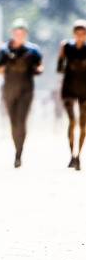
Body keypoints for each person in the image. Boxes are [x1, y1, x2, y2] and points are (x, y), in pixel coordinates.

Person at [0, 19, 43, 168]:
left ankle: (18, 154)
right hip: (9, 90)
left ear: (26, 34)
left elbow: (40, 66)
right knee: (13, 123)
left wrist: (35, 69)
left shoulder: (33, 50)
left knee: (21, 121)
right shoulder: (5, 50)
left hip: (26, 90)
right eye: (16, 33)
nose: (19, 35)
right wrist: (9, 64)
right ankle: (17, 149)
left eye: (22, 33)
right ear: (13, 33)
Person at [57, 19, 86, 170]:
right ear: (74, 34)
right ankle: (71, 154)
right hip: (69, 88)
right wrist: (62, 56)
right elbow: (59, 68)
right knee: (72, 122)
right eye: (78, 33)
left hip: (84, 90)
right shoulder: (66, 46)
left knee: (83, 124)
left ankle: (78, 155)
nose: (80, 36)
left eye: (83, 33)